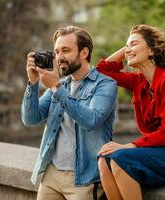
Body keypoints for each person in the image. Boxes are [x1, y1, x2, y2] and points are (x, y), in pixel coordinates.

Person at [96, 24, 165, 200]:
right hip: (158, 150)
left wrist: (127, 145)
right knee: (104, 160)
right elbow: (102, 72)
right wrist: (128, 49)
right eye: (126, 46)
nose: (127, 50)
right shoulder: (138, 81)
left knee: (120, 159)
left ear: (151, 50)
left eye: (133, 44)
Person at [21, 26, 117, 200]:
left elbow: (91, 120)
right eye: (57, 51)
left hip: (84, 178)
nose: (59, 57)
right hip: (51, 174)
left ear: (84, 52)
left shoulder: (105, 85)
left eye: (65, 50)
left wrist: (56, 88)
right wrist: (33, 83)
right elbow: (30, 119)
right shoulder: (61, 85)